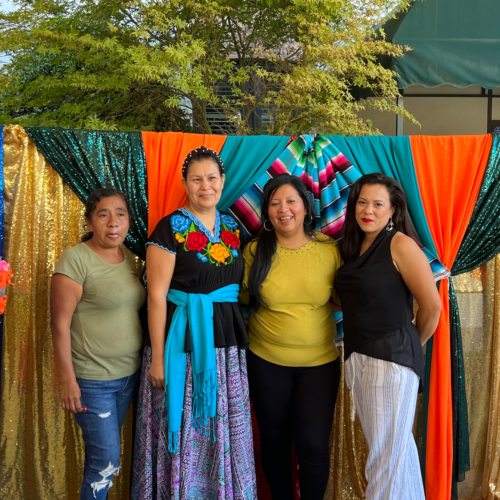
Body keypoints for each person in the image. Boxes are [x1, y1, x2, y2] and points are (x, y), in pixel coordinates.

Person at [131, 146, 257, 499]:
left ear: (223, 181)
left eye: (212, 178)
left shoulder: (232, 226)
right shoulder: (169, 228)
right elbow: (156, 296)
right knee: (187, 424)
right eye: (197, 179)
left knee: (222, 426)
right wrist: (157, 357)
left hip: (226, 348)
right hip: (180, 345)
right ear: (185, 183)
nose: (206, 186)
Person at [335, 173, 442, 500]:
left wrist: (407, 348)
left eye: (378, 204)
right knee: (398, 456)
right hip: (361, 361)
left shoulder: (400, 244)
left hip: (391, 364)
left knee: (383, 460)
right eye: (362, 202)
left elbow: (431, 307)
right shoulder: (354, 246)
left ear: (393, 210)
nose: (368, 210)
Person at [240, 174, 342, 500]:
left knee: (313, 445)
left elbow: (346, 298)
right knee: (275, 441)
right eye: (274, 203)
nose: (283, 209)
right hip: (266, 362)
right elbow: (239, 301)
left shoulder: (330, 249)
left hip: (319, 364)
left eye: (291, 201)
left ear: (305, 206)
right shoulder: (255, 251)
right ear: (267, 213)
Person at [51, 187, 146, 500]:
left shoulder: (132, 259)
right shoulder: (75, 260)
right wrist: (67, 381)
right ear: (90, 222)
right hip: (92, 382)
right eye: (103, 214)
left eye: (120, 213)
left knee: (104, 459)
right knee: (104, 463)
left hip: (128, 378)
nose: (113, 221)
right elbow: (59, 325)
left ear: (129, 220)